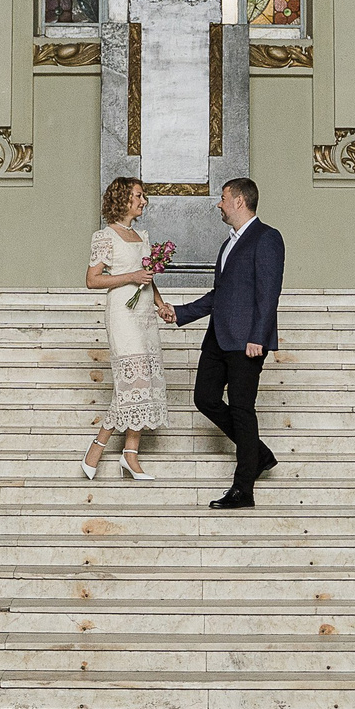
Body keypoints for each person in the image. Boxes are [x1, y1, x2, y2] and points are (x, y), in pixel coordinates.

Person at [159, 178, 282, 509]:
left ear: (239, 201)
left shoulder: (267, 238)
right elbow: (220, 295)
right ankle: (258, 453)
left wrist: (259, 336)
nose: (219, 204)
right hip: (217, 337)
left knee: (242, 409)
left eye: (224, 198)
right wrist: (180, 312)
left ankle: (243, 489)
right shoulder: (228, 243)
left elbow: (269, 294)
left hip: (246, 342)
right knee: (204, 398)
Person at [82, 176, 167, 479]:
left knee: (144, 382)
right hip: (122, 313)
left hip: (144, 314)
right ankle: (100, 444)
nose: (143, 201)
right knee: (133, 383)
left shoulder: (141, 235)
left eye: (143, 196)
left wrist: (160, 304)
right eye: (138, 196)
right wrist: (130, 276)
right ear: (123, 199)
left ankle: (130, 454)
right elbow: (92, 279)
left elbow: (147, 277)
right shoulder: (105, 236)